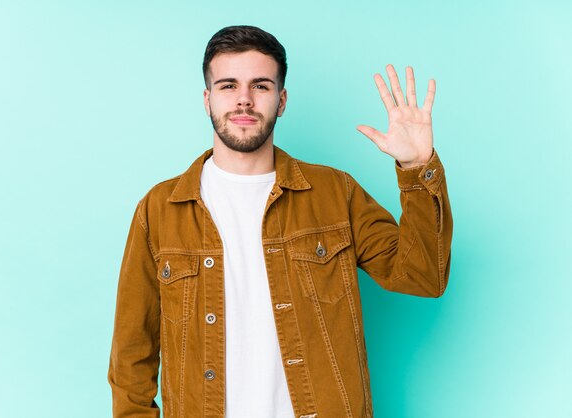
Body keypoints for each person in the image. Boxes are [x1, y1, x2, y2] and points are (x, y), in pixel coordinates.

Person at [108, 25, 452, 418]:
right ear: (207, 99)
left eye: (260, 86)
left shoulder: (334, 193)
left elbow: (423, 276)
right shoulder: (159, 209)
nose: (243, 100)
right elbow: (131, 356)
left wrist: (417, 166)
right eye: (227, 86)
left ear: (281, 99)